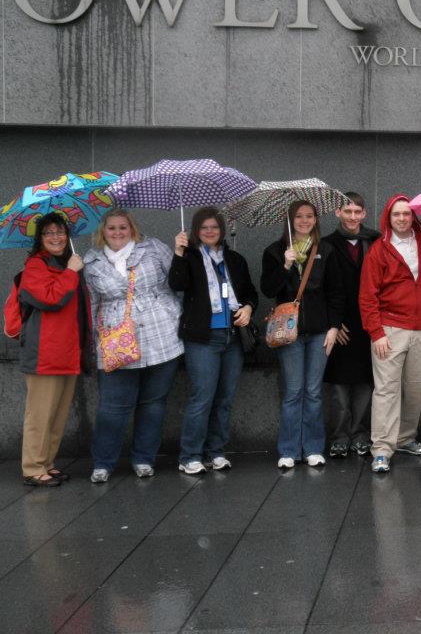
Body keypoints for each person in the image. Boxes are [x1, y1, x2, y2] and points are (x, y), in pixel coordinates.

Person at [84, 208, 184, 483]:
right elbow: (91, 304)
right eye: (111, 228)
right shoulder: (91, 262)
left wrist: (176, 313)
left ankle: (143, 458)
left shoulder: (153, 249)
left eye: (123, 227)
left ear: (133, 229)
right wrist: (93, 345)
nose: (117, 232)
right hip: (116, 341)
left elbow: (177, 281)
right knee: (112, 407)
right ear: (102, 231)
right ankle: (103, 462)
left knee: (153, 403)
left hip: (161, 335)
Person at [168, 207, 258, 474]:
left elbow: (250, 293)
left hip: (232, 338)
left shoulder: (235, 259)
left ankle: (215, 452)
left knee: (225, 398)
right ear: (196, 230)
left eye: (214, 227)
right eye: (204, 228)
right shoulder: (190, 257)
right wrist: (178, 252)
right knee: (202, 398)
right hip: (203, 338)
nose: (210, 232)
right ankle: (190, 456)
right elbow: (176, 283)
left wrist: (249, 308)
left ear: (221, 230)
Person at [261, 200, 343, 469]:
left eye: (309, 216)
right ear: (290, 219)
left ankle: (313, 448)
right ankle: (288, 449)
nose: (304, 221)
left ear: (316, 219)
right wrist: (285, 266)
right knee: (293, 391)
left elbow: (335, 293)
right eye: (299, 216)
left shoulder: (326, 250)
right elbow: (267, 288)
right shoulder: (274, 251)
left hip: (319, 331)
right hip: (289, 332)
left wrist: (333, 327)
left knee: (314, 391)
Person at [359, 195, 421, 474]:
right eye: (396, 215)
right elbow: (367, 296)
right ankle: (381, 448)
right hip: (390, 328)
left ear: (413, 216)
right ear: (388, 218)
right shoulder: (379, 251)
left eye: (406, 214)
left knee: (418, 387)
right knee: (387, 390)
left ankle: (404, 438)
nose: (402, 218)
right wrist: (376, 332)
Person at [17, 213, 87, 487]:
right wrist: (71, 272)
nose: (56, 237)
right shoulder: (36, 265)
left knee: (56, 414)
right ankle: (33, 468)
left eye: (60, 232)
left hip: (67, 351)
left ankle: (46, 462)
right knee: (40, 414)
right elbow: (49, 299)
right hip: (44, 352)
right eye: (49, 233)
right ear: (40, 239)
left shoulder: (64, 263)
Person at [323, 192, 379, 458]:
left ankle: (359, 434)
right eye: (348, 212)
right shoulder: (325, 244)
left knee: (366, 383)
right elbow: (321, 287)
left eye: (358, 212)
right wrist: (334, 323)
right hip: (339, 326)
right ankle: (339, 436)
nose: (353, 217)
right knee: (339, 385)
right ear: (337, 213)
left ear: (364, 214)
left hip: (369, 323)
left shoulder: (376, 240)